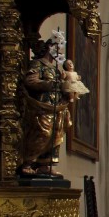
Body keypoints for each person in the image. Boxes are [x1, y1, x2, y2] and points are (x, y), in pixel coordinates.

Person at [20, 38, 72, 177]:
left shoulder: (56, 69)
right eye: (57, 47)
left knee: (56, 135)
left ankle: (45, 164)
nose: (59, 51)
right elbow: (30, 81)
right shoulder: (38, 64)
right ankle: (27, 163)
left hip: (56, 107)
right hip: (41, 106)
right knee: (43, 132)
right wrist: (49, 84)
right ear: (49, 47)